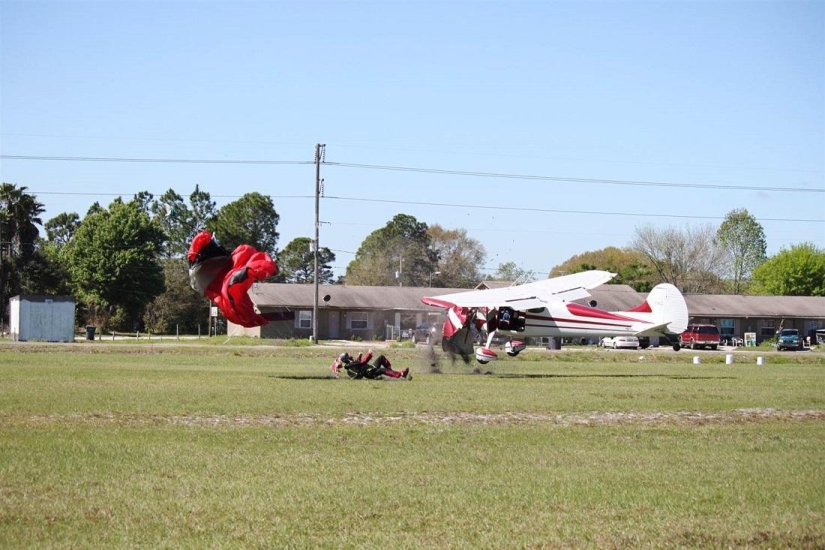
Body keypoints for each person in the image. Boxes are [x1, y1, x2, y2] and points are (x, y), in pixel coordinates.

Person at [331, 349, 411, 380]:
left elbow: (359, 364)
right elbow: (363, 362)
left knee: (381, 358)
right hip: (370, 373)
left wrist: (360, 356)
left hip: (370, 369)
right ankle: (400, 374)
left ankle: (392, 372)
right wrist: (369, 354)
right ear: (346, 358)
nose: (350, 355)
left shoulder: (351, 363)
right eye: (348, 355)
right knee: (383, 370)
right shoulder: (351, 363)